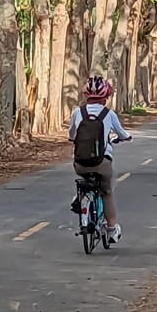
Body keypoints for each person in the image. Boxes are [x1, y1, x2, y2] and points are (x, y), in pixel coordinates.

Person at [68, 76, 131, 244]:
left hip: (80, 164)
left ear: (85, 95)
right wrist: (126, 137)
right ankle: (111, 230)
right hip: (102, 163)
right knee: (106, 192)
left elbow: (72, 135)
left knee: (85, 177)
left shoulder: (77, 112)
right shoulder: (108, 114)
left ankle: (79, 197)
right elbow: (122, 134)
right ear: (106, 96)